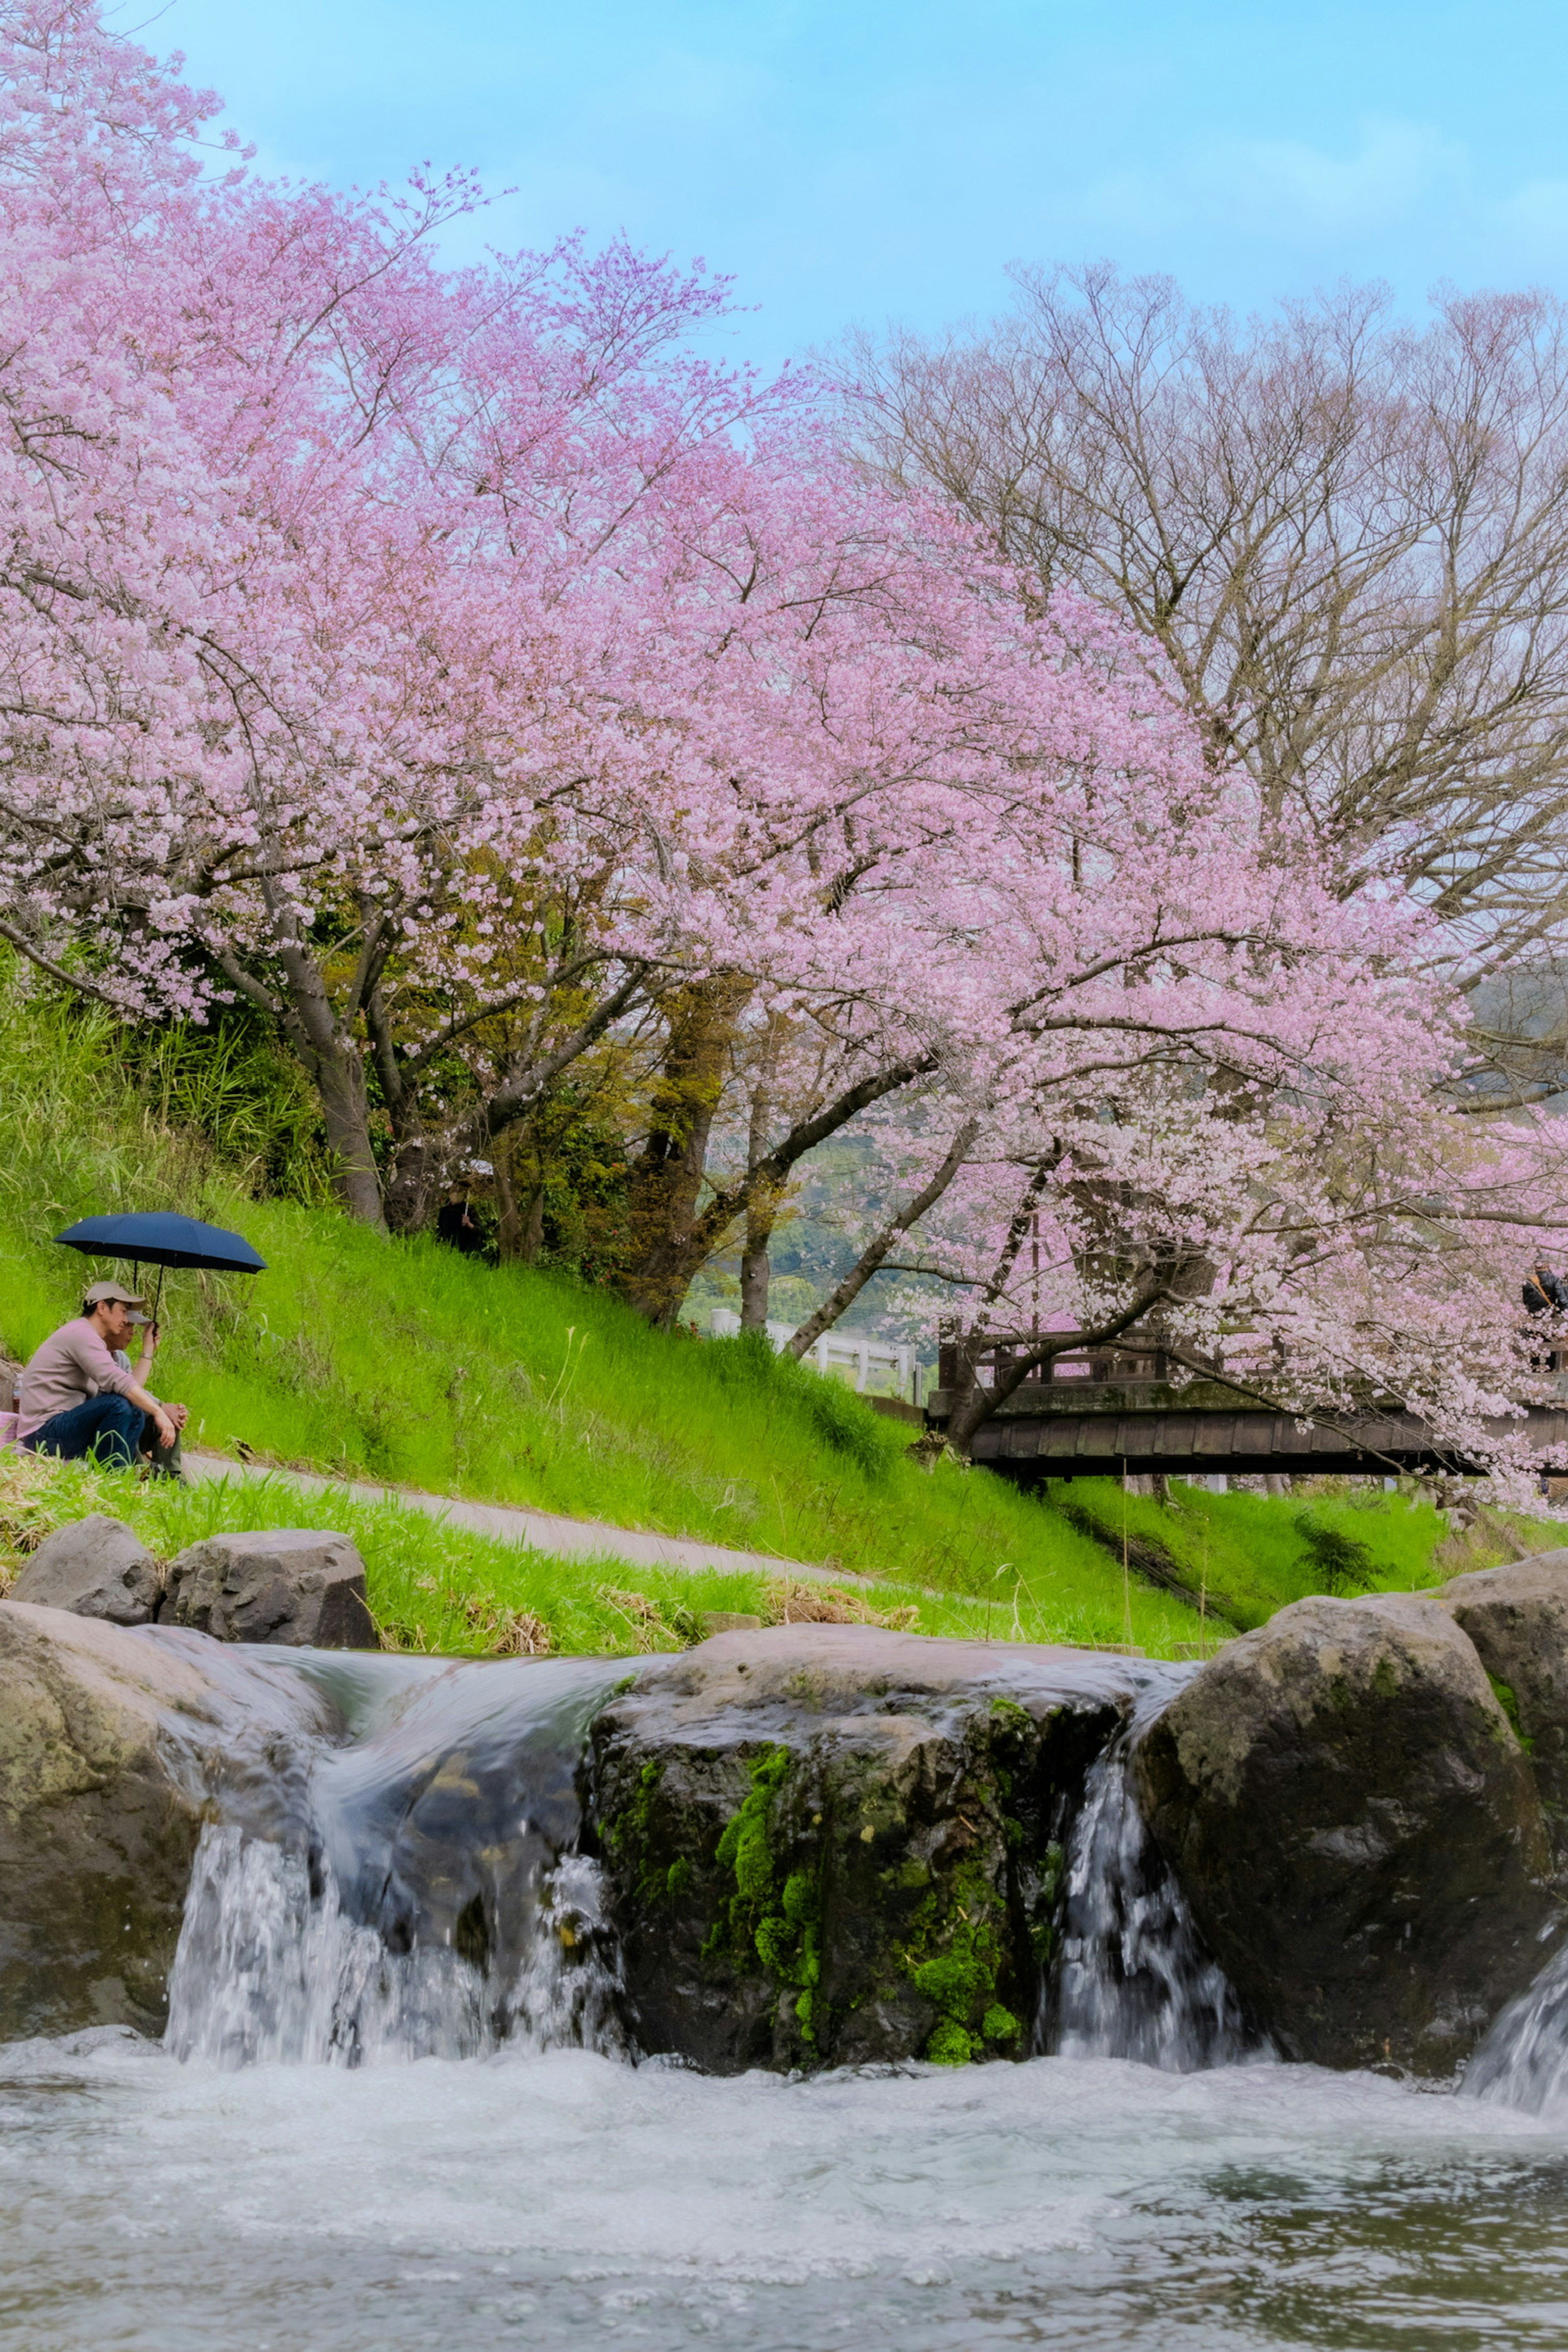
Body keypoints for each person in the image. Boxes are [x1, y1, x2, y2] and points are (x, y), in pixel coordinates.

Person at [16, 1280, 188, 1474]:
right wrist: (159, 1413)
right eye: (123, 1311)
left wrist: (148, 1349)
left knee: (134, 1410)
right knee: (117, 1406)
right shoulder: (81, 1333)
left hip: (64, 1429)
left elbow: (130, 1389)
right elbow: (119, 1382)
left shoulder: (95, 1341)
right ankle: (110, 1474)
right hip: (43, 1434)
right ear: (102, 1307)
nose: (126, 1320)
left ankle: (119, 1475)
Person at [437, 1187, 483, 1255]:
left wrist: (469, 1224)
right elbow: (440, 1231)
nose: (456, 1195)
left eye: (459, 1193)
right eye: (454, 1193)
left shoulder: (469, 1210)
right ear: (450, 1195)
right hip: (448, 1250)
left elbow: (481, 1231)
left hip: (467, 1250)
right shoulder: (444, 1211)